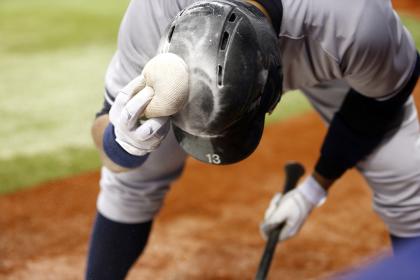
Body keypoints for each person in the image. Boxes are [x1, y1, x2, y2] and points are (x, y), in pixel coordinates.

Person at [86, 0, 420, 279]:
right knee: (130, 180)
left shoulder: (355, 21)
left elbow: (383, 98)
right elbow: (104, 124)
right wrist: (122, 145)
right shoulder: (156, 14)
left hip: (323, 48)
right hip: (190, 64)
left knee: (407, 175)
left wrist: (313, 189)